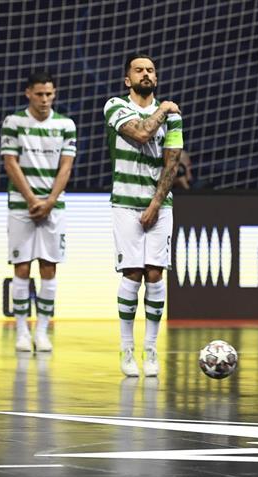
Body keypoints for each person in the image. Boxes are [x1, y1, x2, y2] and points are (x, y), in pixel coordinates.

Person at [103, 53, 183, 377]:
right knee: (132, 274)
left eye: (151, 70)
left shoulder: (174, 120)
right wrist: (164, 108)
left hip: (159, 205)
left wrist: (155, 204)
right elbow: (140, 134)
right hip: (124, 201)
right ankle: (126, 349)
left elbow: (172, 163)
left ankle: (150, 350)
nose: (146, 74)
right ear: (128, 80)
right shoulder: (116, 107)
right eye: (139, 70)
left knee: (155, 274)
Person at [1, 71, 77, 353]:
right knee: (21, 267)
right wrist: (33, 199)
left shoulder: (66, 125)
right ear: (28, 93)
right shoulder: (14, 122)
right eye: (40, 94)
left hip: (53, 208)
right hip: (22, 206)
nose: (45, 100)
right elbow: (10, 163)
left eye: (49, 94)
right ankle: (21, 331)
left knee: (49, 267)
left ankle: (42, 331)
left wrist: (49, 202)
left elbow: (66, 167)